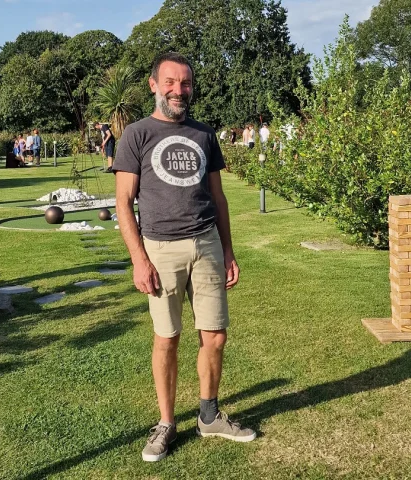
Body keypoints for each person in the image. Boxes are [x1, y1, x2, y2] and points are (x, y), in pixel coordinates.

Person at [114, 52, 256, 463]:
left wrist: (228, 250)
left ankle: (208, 416)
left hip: (207, 244)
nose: (180, 90)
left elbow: (219, 197)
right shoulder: (136, 135)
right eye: (172, 82)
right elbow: (123, 202)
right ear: (153, 85)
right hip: (160, 250)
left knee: (215, 335)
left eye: (186, 83)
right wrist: (139, 259)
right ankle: (166, 423)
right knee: (168, 338)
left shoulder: (204, 134)